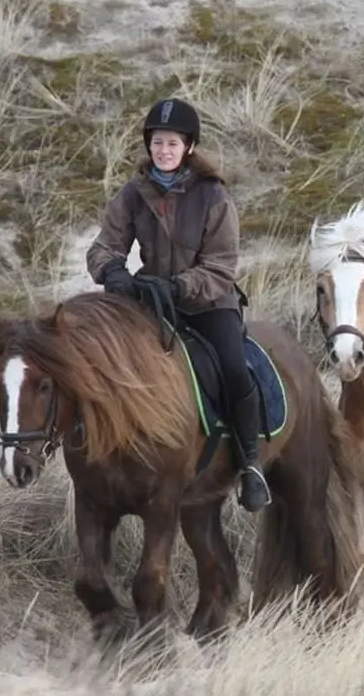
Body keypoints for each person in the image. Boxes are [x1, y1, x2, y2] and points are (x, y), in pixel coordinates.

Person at [84, 97, 272, 511]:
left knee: (234, 368)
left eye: (172, 143)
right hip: (151, 303)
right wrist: (112, 271)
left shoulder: (214, 196)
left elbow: (221, 267)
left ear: (189, 147)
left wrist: (179, 286)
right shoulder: (133, 193)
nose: (163, 151)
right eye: (157, 142)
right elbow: (104, 246)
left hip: (209, 303)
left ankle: (250, 464)